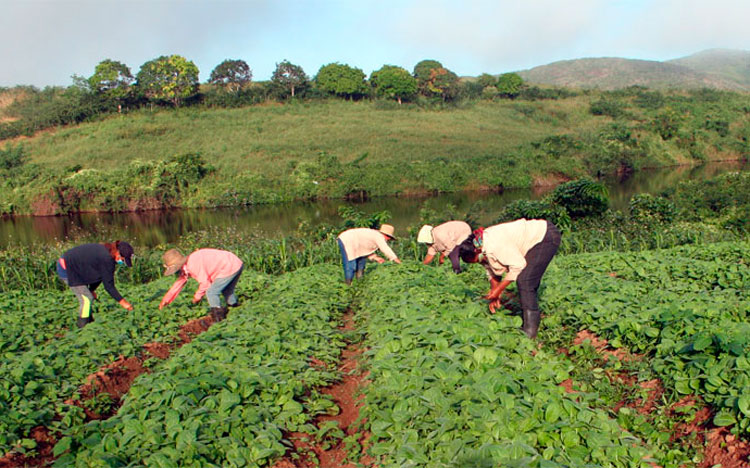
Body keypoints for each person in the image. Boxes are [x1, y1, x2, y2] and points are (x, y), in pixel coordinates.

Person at [459, 218, 561, 338]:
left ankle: (530, 332)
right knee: (528, 279)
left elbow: (518, 265)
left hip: (545, 236)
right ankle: (530, 313)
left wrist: (499, 290)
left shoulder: (495, 245)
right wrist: (494, 292)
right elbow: (490, 268)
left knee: (525, 280)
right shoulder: (480, 245)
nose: (481, 263)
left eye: (478, 260)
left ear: (477, 251)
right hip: (537, 238)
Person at [56, 241, 135, 329]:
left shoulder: (107, 253)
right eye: (123, 259)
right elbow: (109, 286)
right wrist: (124, 303)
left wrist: (92, 289)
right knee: (86, 299)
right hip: (67, 267)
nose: (122, 262)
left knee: (89, 296)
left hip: (76, 267)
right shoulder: (106, 258)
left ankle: (89, 323)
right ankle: (82, 328)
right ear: (118, 253)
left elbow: (100, 276)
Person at [158, 248, 244, 322]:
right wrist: (166, 300)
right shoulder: (187, 264)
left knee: (211, 292)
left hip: (229, 265)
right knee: (227, 290)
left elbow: (205, 284)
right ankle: (234, 307)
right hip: (235, 262)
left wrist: (197, 297)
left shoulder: (193, 264)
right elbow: (180, 282)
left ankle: (218, 317)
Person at [336, 224, 401, 284]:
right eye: (389, 237)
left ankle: (359, 282)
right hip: (346, 240)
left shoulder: (375, 235)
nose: (389, 239)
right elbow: (385, 248)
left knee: (361, 264)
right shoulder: (379, 236)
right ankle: (348, 285)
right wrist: (395, 258)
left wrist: (376, 258)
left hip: (355, 243)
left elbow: (365, 250)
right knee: (351, 265)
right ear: (386, 235)